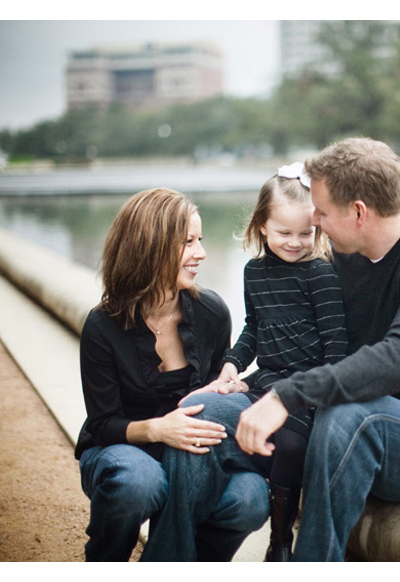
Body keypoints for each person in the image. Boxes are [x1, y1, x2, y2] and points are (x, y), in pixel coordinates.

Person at [146, 137, 400, 561]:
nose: (315, 224)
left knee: (350, 413)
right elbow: (286, 332)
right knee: (200, 413)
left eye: (321, 213)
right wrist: (241, 378)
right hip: (331, 427)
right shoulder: (338, 258)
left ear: (358, 212)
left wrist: (288, 394)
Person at [75, 188, 269, 562]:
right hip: (124, 449)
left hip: (193, 457)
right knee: (138, 482)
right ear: (149, 247)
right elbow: (103, 424)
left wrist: (232, 388)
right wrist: (158, 429)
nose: (201, 252)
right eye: (188, 243)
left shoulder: (212, 312)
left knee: (251, 497)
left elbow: (212, 406)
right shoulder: (103, 326)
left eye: (200, 240)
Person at [217, 162, 347, 560]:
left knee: (289, 445)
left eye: (306, 233)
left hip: (307, 385)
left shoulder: (319, 274)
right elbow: (253, 329)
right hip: (266, 378)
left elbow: (336, 346)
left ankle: (279, 542)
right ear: (261, 226)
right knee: (215, 413)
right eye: (283, 233)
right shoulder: (254, 273)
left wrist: (321, 397)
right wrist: (231, 364)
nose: (295, 242)